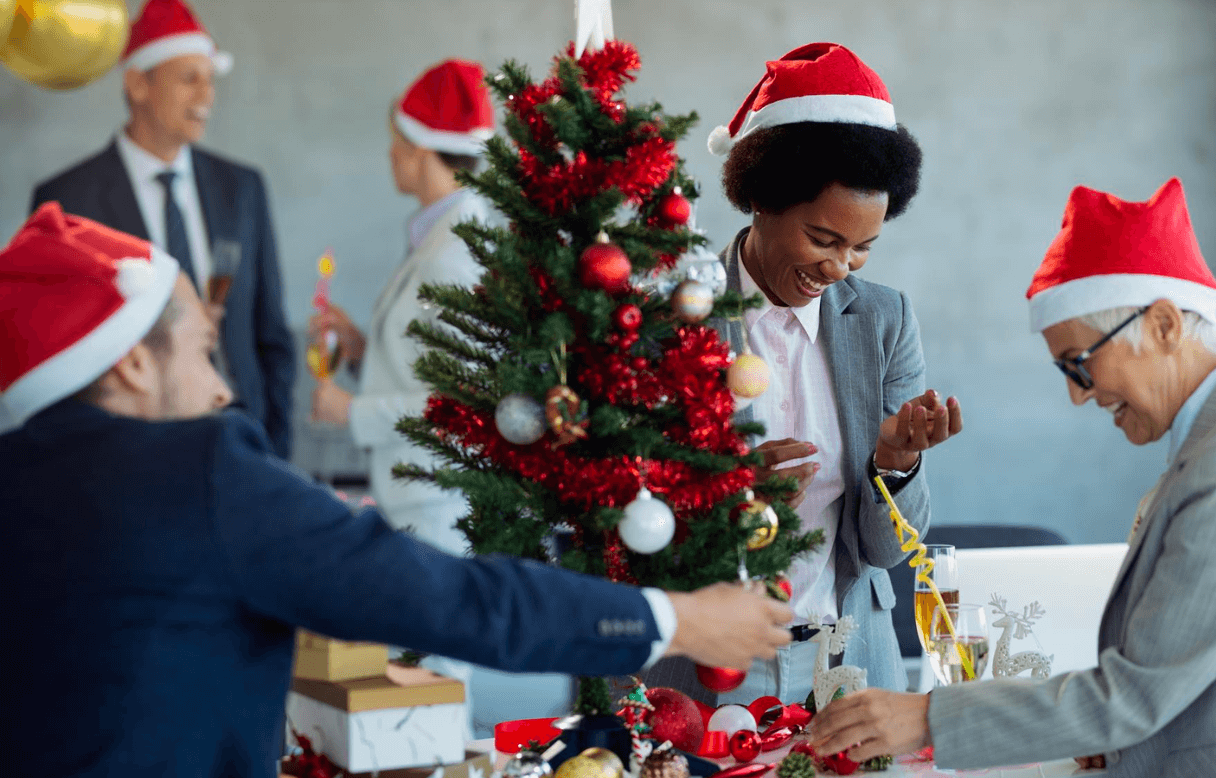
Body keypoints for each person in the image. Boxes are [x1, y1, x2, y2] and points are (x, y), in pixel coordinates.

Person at [0, 203, 795, 778]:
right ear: (132, 362)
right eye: (204, 351)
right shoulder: (199, 467)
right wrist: (676, 618)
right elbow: (455, 600)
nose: (220, 389)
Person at [809, 179, 1216, 776]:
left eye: (1078, 366)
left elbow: (1134, 694)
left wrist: (929, 716)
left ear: (1165, 324)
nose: (1078, 396)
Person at [646, 43, 963, 706]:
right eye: (823, 239)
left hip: (854, 659)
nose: (840, 267)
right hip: (706, 664)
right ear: (763, 198)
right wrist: (731, 498)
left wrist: (896, 464)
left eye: (862, 247)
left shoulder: (884, 320)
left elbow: (887, 551)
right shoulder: (672, 315)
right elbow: (623, 515)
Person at [30, 0, 296, 458]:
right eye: (189, 78)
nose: (207, 96)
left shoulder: (242, 188)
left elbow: (270, 334)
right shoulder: (67, 201)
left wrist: (276, 451)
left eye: (210, 79)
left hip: (243, 444)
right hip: (125, 453)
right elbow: (55, 350)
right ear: (138, 84)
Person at [309, 59, 495, 558]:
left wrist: (352, 412)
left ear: (420, 149)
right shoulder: (440, 236)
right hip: (422, 501)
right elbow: (427, 363)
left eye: (396, 139)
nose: (390, 153)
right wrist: (360, 351)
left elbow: (464, 406)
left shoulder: (456, 254)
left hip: (438, 509)